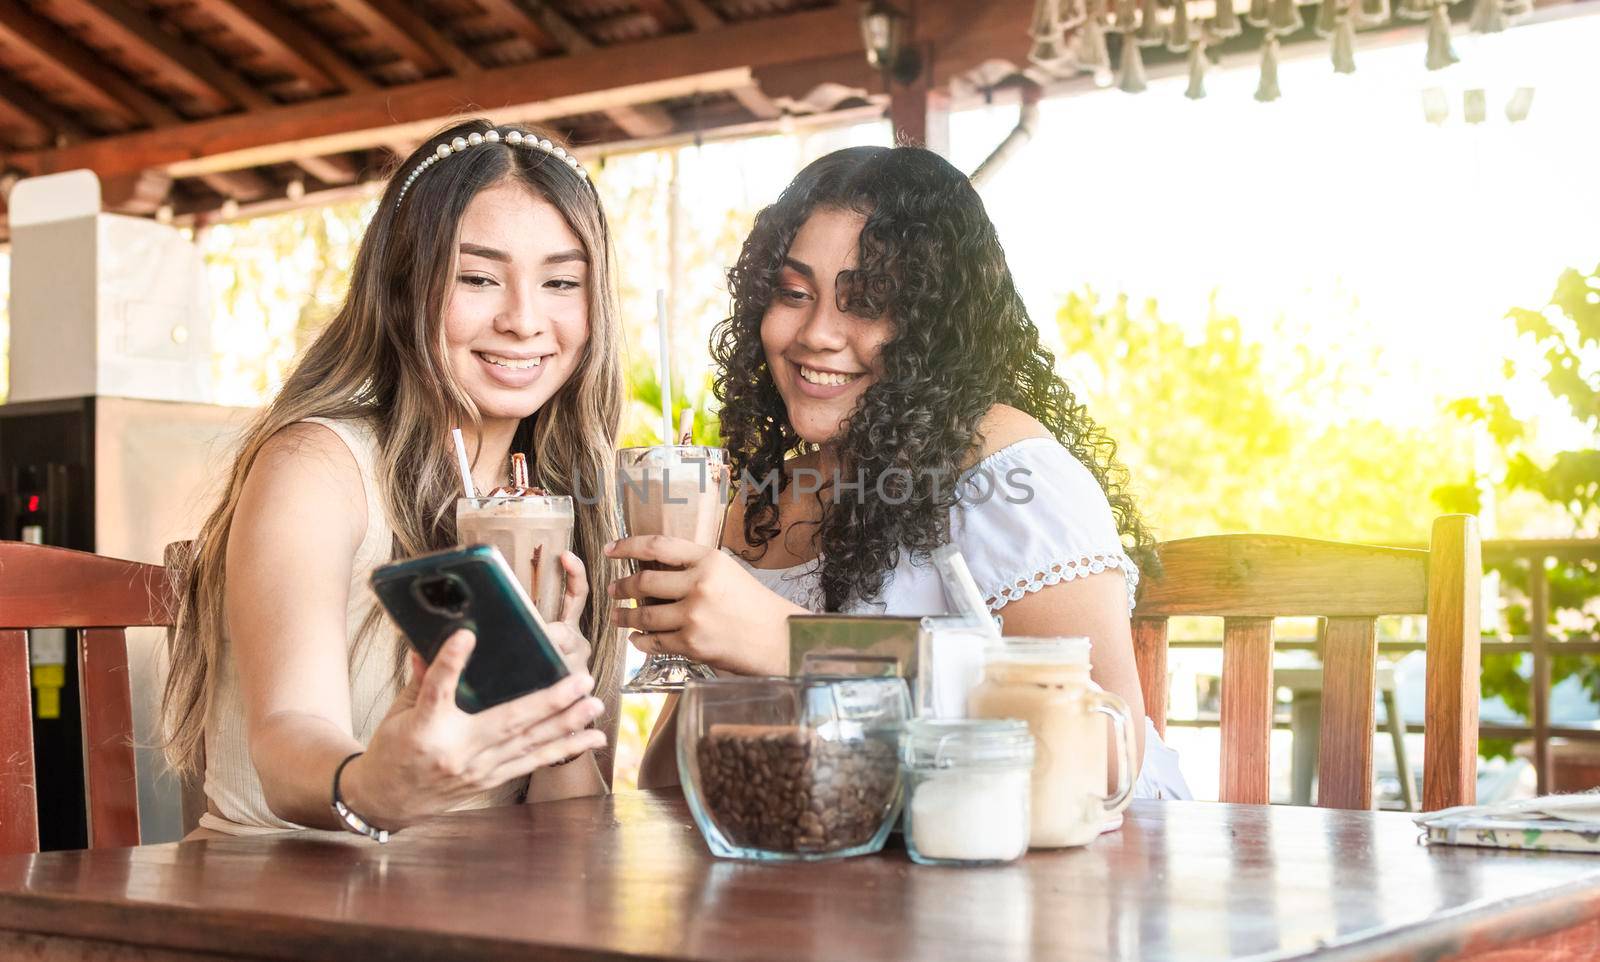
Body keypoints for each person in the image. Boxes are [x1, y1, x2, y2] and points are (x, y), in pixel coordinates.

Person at [612, 145, 1189, 799]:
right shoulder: (748, 507)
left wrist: (792, 645)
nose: (817, 333)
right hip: (830, 881)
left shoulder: (1003, 469)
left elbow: (1104, 755)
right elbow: (665, 786)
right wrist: (690, 660)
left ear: (936, 327)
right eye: (793, 293)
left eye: (866, 302)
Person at [163, 118, 626, 838]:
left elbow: (570, 830)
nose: (524, 320)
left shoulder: (575, 505)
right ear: (405, 285)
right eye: (477, 278)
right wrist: (379, 783)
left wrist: (553, 703)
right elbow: (288, 738)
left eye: (561, 282)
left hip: (479, 905)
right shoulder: (319, 468)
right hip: (277, 894)